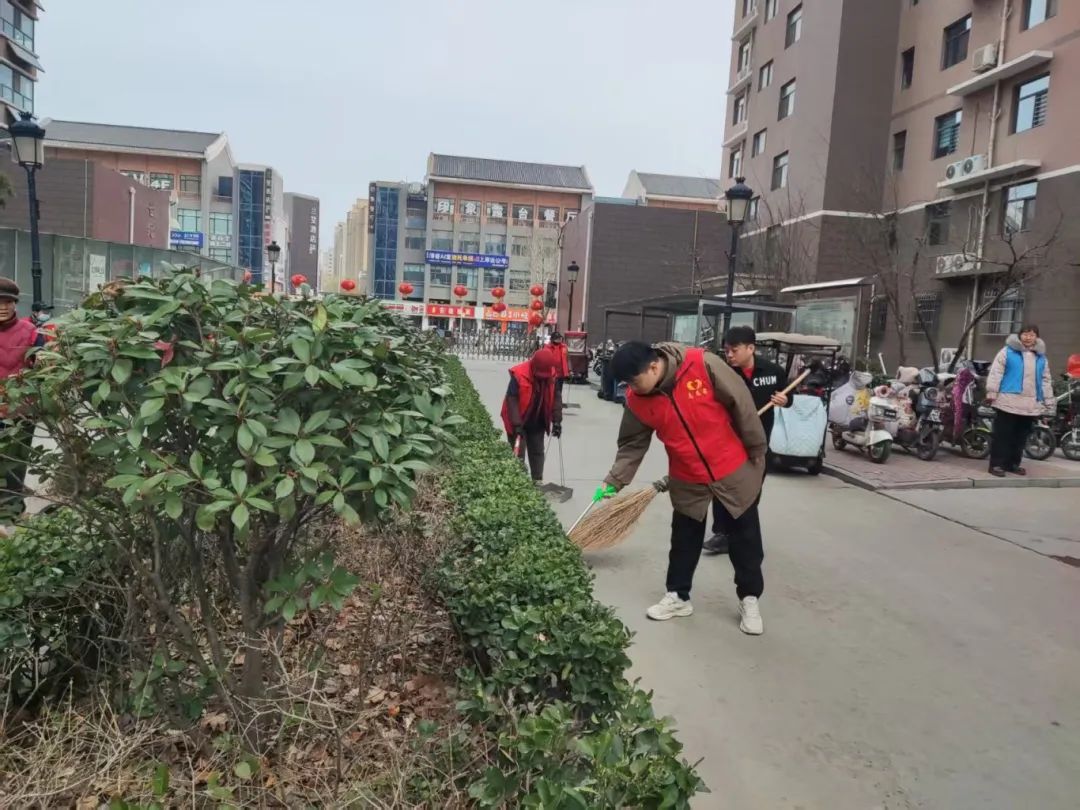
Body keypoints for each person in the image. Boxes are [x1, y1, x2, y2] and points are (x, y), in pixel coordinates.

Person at [601, 341, 768, 634]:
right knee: (684, 539)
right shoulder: (637, 400)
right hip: (686, 474)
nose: (632, 388)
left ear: (654, 366)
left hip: (730, 466)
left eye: (634, 381)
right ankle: (678, 596)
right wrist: (614, 480)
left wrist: (756, 448)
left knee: (745, 538)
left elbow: (741, 403)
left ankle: (749, 598)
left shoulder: (702, 364)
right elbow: (632, 444)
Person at [704, 326, 790, 554]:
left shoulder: (773, 372)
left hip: (758, 445)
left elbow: (789, 396)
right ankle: (722, 533)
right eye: (726, 351)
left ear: (750, 348)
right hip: (727, 442)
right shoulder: (723, 373)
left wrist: (785, 400)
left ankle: (741, 533)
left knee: (751, 491)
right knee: (722, 488)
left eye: (734, 350)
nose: (729, 355)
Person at [0, 279, 44, 536]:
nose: (3, 307)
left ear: (15, 304)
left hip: (20, 412)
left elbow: (43, 368)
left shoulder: (31, 333)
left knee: (15, 466)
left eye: (8, 302)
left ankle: (11, 516)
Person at [985, 325, 1053, 477]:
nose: (1028, 337)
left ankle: (1012, 464)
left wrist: (1048, 401)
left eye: (1032, 335)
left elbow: (1045, 380)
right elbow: (996, 373)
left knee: (1020, 437)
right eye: (1025, 334)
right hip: (1007, 400)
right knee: (1003, 435)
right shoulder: (1007, 352)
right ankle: (997, 465)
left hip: (1030, 404)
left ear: (1036, 337)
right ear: (1020, 336)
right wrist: (991, 392)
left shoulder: (1041, 357)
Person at [501, 349, 564, 482]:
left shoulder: (552, 376)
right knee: (518, 455)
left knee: (537, 452)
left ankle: (537, 481)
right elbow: (511, 399)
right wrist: (517, 425)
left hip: (537, 420)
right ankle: (518, 483)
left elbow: (556, 398)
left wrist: (557, 421)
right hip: (518, 419)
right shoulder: (519, 374)